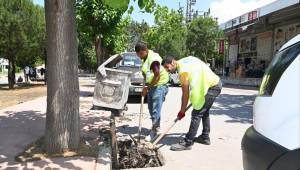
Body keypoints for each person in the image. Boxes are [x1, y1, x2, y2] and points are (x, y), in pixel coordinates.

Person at [162, 56, 222, 151]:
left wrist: (182, 111)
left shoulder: (183, 72)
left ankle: (188, 142)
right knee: (204, 112)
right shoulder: (184, 61)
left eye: (167, 67)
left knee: (197, 114)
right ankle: (205, 137)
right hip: (215, 83)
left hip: (211, 87)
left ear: (173, 62)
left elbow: (185, 94)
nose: (167, 70)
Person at [135, 42, 169, 141]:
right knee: (151, 109)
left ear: (145, 51)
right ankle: (157, 127)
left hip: (159, 86)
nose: (139, 56)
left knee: (155, 110)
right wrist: (145, 78)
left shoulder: (153, 59)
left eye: (140, 54)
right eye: (138, 55)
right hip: (152, 85)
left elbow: (157, 76)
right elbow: (146, 72)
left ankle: (153, 132)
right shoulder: (145, 58)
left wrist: (147, 88)